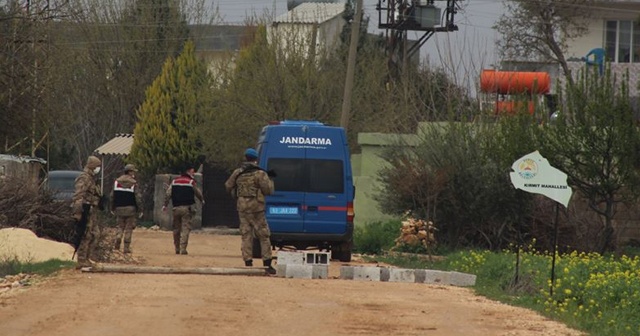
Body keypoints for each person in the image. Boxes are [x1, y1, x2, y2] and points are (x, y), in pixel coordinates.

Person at [224, 148, 276, 274]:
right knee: (264, 235)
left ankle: (248, 262)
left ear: (246, 158)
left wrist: (236, 195)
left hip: (242, 208)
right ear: (256, 159)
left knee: (246, 234)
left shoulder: (238, 172)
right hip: (257, 208)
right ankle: (267, 263)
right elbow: (268, 190)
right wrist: (271, 180)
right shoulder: (260, 174)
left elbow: (228, 186)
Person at [163, 165, 204, 255]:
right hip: (187, 209)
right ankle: (183, 248)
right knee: (185, 228)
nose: (194, 174)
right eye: (192, 172)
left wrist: (165, 205)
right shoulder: (191, 182)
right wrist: (202, 200)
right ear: (188, 172)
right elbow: (198, 193)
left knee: (176, 229)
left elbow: (168, 194)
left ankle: (177, 248)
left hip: (176, 208)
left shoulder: (174, 181)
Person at [71, 155, 102, 268]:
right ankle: (81, 259)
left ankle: (87, 258)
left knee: (95, 234)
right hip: (85, 209)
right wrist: (78, 212)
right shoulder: (84, 178)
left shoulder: (91, 178)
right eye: (98, 166)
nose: (99, 169)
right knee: (86, 235)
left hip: (92, 210)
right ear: (93, 166)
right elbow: (78, 195)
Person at [110, 163, 143, 254]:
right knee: (129, 228)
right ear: (130, 172)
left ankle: (118, 240)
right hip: (130, 209)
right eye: (133, 171)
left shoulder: (116, 182)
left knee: (120, 226)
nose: (134, 174)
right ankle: (126, 248)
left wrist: (112, 207)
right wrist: (140, 209)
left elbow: (112, 196)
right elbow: (138, 198)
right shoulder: (133, 183)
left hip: (119, 208)